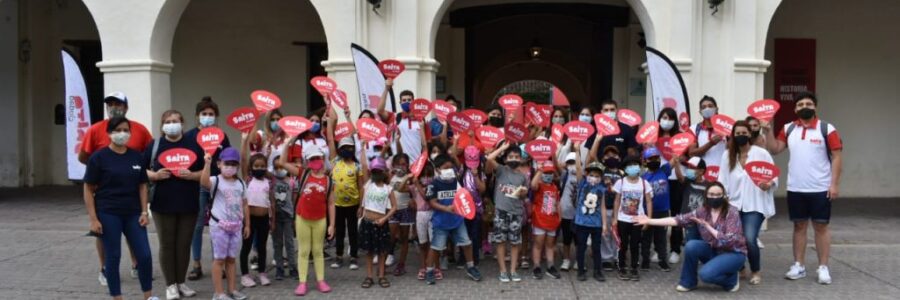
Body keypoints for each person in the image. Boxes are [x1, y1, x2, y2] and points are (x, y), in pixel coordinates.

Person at [762, 91, 843, 285]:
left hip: (820, 188)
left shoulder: (827, 128)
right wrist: (768, 130)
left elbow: (837, 157)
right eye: (800, 104)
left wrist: (834, 184)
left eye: (808, 103)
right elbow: (775, 149)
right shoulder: (789, 128)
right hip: (796, 188)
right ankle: (799, 265)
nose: (804, 107)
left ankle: (823, 267)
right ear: (795, 109)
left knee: (821, 227)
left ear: (815, 107)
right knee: (799, 226)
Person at [80, 92, 152, 286]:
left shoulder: (139, 130)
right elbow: (84, 156)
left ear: (126, 107)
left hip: (131, 195)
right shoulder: (95, 129)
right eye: (110, 103)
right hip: (106, 194)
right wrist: (100, 171)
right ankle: (105, 269)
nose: (114, 107)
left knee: (133, 232)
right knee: (104, 234)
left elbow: (149, 153)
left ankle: (137, 264)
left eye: (118, 103)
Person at [634, 182, 747, 292]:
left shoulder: (732, 212)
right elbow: (678, 220)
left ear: (724, 196)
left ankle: (731, 280)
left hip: (733, 253)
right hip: (714, 250)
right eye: (711, 194)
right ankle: (688, 282)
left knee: (705, 275)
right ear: (706, 195)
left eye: (718, 195)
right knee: (691, 245)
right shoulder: (703, 211)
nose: (715, 197)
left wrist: (708, 227)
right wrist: (649, 220)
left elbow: (729, 240)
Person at [144, 110, 204, 299]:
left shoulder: (194, 144)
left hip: (189, 202)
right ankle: (170, 285)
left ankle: (181, 282)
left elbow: (207, 170)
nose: (171, 124)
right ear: (162, 126)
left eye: (175, 121)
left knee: (184, 244)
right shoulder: (155, 146)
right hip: (162, 203)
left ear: (182, 123)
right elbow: (139, 169)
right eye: (168, 121)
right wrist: (154, 175)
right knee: (167, 244)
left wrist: (193, 175)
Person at [718, 120, 777, 285]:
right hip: (733, 204)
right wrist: (722, 198)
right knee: (733, 239)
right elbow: (721, 180)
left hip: (755, 204)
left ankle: (756, 270)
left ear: (750, 134)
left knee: (750, 238)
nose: (741, 136)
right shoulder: (727, 155)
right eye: (738, 134)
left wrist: (769, 184)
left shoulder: (761, 153)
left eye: (744, 133)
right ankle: (741, 268)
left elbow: (773, 175)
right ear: (733, 136)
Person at [276, 142, 335, 295]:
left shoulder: (328, 181)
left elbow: (331, 203)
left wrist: (332, 225)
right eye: (312, 159)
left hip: (320, 220)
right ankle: (302, 283)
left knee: (317, 251)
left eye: (317, 157)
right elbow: (282, 163)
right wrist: (287, 144)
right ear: (307, 161)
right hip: (303, 218)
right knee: (303, 251)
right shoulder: (303, 173)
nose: (315, 161)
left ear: (322, 158)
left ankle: (321, 280)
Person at [184, 96, 231, 282]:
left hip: (217, 186)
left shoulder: (222, 136)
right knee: (196, 226)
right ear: (197, 116)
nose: (207, 117)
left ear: (216, 117)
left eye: (211, 114)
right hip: (196, 187)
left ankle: (218, 264)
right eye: (204, 114)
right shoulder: (189, 136)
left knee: (218, 225)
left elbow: (227, 160)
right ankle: (196, 264)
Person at [423, 154, 483, 285]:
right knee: (436, 247)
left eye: (451, 167)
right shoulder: (434, 185)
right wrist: (446, 208)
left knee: (467, 243)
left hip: (457, 221)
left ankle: (471, 267)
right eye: (446, 168)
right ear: (438, 169)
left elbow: (464, 197)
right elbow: (432, 203)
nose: (450, 170)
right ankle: (429, 271)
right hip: (441, 222)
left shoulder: (456, 182)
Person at [200, 147, 250, 300]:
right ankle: (219, 293)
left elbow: (245, 204)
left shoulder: (241, 183)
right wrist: (207, 164)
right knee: (219, 259)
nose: (230, 167)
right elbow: (204, 182)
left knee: (231, 259)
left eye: (234, 164)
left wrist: (247, 224)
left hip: (236, 227)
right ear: (219, 164)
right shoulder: (216, 180)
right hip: (219, 226)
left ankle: (233, 289)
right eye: (227, 163)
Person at [485, 142, 531, 283]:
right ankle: (503, 271)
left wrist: (523, 194)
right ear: (505, 159)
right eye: (510, 156)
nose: (513, 159)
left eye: (516, 156)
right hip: (501, 212)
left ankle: (513, 270)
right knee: (500, 241)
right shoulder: (501, 170)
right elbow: (489, 159)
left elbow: (524, 195)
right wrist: (503, 148)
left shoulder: (523, 176)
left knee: (515, 242)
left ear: (521, 159)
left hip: (516, 213)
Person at [238, 124, 276, 288]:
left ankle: (262, 273)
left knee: (262, 247)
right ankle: (245, 275)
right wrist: (244, 142)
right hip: (249, 220)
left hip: (263, 220)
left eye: (262, 166)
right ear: (251, 169)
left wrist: (272, 220)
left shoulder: (269, 181)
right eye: (256, 166)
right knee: (246, 247)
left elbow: (272, 202)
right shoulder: (247, 179)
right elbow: (244, 159)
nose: (259, 169)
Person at [325, 117, 365, 270]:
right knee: (339, 231)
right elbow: (330, 140)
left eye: (350, 147)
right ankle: (339, 256)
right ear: (340, 149)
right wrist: (329, 122)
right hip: (337, 205)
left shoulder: (357, 166)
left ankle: (354, 257)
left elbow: (361, 187)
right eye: (344, 147)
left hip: (353, 204)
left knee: (353, 232)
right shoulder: (334, 162)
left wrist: (361, 205)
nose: (347, 149)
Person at [612, 156, 654, 281]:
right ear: (625, 169)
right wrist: (615, 218)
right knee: (622, 245)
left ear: (640, 167)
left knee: (635, 245)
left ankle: (634, 268)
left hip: (638, 219)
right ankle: (622, 267)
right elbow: (617, 200)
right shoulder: (621, 182)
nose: (633, 167)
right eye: (629, 165)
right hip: (622, 219)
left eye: (635, 164)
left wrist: (649, 219)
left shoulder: (644, 183)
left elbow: (649, 201)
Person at [358, 157, 398, 288]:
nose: (376, 174)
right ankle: (369, 276)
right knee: (369, 252)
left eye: (379, 171)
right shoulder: (368, 184)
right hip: (367, 222)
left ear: (384, 173)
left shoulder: (388, 189)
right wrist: (363, 147)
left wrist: (384, 219)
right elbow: (364, 165)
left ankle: (381, 275)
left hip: (381, 223)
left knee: (381, 252)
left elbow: (394, 207)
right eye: (374, 171)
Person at [654, 107, 687, 265]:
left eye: (669, 117)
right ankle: (658, 249)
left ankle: (675, 249)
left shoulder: (679, 138)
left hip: (675, 180)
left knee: (675, 215)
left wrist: (677, 161)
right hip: (658, 180)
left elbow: (683, 161)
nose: (666, 120)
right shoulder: (654, 137)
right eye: (663, 117)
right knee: (658, 215)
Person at [573, 159, 610, 282]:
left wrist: (604, 225)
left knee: (596, 248)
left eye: (597, 176)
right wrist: (577, 151)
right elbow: (578, 169)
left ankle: (597, 271)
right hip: (581, 222)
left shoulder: (602, 189)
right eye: (591, 175)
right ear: (586, 175)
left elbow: (603, 207)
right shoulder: (582, 183)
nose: (594, 178)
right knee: (581, 247)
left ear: (601, 177)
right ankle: (580, 271)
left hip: (596, 224)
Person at [639, 147, 673, 272]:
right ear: (645, 161)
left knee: (661, 238)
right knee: (646, 238)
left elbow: (675, 159)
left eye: (656, 158)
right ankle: (645, 261)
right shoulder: (642, 177)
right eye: (651, 159)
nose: (654, 160)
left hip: (663, 211)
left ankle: (662, 260)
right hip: (647, 212)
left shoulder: (664, 170)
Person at [378, 78, 425, 163]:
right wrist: (386, 89)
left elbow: (425, 143)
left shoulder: (421, 120)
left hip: (417, 163)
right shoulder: (395, 117)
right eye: (404, 100)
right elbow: (380, 111)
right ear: (400, 102)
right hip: (398, 163)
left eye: (409, 100)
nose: (406, 102)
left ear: (414, 101)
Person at [530, 161, 563, 280]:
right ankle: (536, 267)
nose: (548, 175)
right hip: (539, 220)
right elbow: (533, 185)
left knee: (550, 245)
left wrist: (560, 217)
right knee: (538, 244)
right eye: (546, 173)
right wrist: (539, 171)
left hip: (552, 221)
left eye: (550, 173)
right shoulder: (539, 185)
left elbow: (558, 203)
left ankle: (550, 266)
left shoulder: (554, 187)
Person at [388, 154, 416, 276]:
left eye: (404, 164)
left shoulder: (410, 178)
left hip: (405, 210)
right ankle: (386, 259)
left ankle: (401, 265)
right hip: (393, 210)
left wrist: (408, 177)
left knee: (404, 238)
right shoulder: (390, 176)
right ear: (393, 165)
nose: (401, 166)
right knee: (390, 236)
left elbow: (403, 189)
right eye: (398, 164)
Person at [413, 163, 442, 280]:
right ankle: (423, 267)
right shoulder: (415, 186)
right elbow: (399, 188)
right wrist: (411, 178)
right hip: (420, 215)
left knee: (433, 243)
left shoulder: (434, 187)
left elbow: (426, 197)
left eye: (428, 175)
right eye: (423, 175)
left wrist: (417, 184)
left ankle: (436, 267)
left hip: (432, 214)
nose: (426, 178)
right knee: (423, 243)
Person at [598, 146, 624, 271]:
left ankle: (616, 257)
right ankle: (606, 258)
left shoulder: (622, 173)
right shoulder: (601, 171)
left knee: (617, 234)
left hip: (619, 209)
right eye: (608, 155)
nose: (611, 158)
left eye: (614, 155)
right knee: (606, 233)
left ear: (619, 157)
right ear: (603, 158)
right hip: (605, 207)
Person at [672, 156, 708, 241]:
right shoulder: (687, 181)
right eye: (688, 167)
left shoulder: (708, 185)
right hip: (689, 221)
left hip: (702, 221)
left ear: (701, 171)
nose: (689, 169)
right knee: (690, 241)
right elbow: (680, 177)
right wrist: (677, 164)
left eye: (692, 168)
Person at [687, 96, 727, 168]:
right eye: (703, 107)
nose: (707, 109)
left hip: (723, 174)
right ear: (700, 112)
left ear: (716, 109)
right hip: (702, 174)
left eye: (710, 106)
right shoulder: (693, 129)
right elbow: (691, 153)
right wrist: (711, 143)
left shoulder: (726, 127)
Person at [556, 152, 579, 272]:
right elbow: (556, 164)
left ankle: (578, 261)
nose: (572, 165)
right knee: (566, 239)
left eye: (574, 163)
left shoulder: (583, 176)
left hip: (579, 214)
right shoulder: (564, 175)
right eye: (569, 163)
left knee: (579, 240)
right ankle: (566, 260)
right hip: (565, 212)